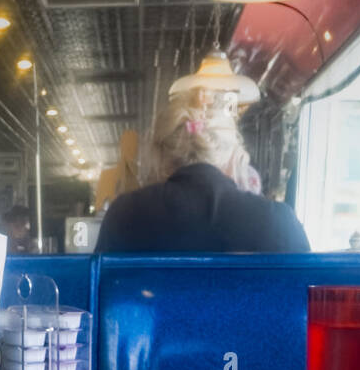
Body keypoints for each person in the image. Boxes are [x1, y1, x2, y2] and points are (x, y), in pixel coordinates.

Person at [95, 96, 309, 254]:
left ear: (160, 155)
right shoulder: (279, 221)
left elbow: (95, 299)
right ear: (234, 155)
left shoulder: (124, 215)